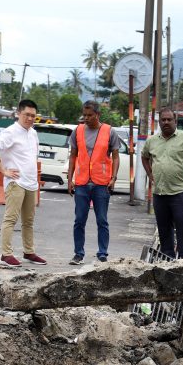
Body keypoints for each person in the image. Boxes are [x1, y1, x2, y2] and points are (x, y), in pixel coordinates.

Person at [0, 99, 46, 268]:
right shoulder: (10, 132)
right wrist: (3, 171)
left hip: (31, 183)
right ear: (18, 113)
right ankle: (6, 255)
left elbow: (31, 157)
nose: (30, 118)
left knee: (28, 221)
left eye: (33, 116)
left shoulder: (33, 133)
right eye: (26, 114)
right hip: (16, 183)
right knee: (10, 219)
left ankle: (29, 252)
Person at [142, 108, 183, 259]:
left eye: (169, 119)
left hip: (179, 191)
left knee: (182, 226)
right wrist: (150, 173)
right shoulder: (152, 141)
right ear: (159, 122)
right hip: (159, 191)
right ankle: (167, 257)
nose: (166, 122)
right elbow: (144, 156)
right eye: (163, 120)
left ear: (175, 121)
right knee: (164, 227)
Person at [68, 101, 120, 264]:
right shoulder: (77, 131)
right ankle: (78, 253)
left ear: (98, 115)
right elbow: (73, 156)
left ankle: (102, 252)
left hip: (101, 183)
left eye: (90, 115)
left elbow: (116, 157)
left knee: (102, 220)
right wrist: (70, 180)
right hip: (82, 182)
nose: (86, 118)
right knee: (79, 220)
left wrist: (113, 178)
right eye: (85, 115)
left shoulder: (109, 131)